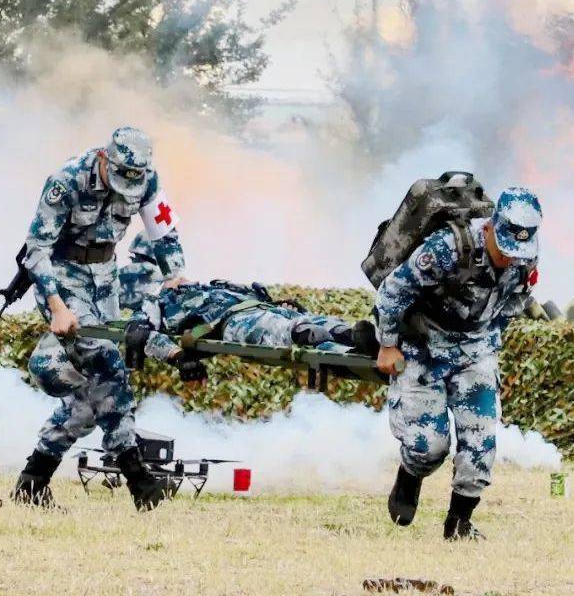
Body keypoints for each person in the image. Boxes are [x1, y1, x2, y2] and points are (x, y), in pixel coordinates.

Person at [11, 126, 183, 511]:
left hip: (106, 279)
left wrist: (175, 274)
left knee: (89, 398)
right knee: (108, 365)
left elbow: (164, 231)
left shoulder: (146, 179)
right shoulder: (66, 180)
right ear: (105, 158)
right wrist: (56, 305)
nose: (127, 188)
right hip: (63, 279)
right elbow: (36, 251)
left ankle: (33, 481)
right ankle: (140, 482)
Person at [375, 186, 541, 540]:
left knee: (481, 444)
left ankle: (459, 523)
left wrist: (487, 345)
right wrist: (389, 345)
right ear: (491, 228)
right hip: (424, 346)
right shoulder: (448, 248)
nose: (512, 257)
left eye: (519, 251)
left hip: (475, 351)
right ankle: (410, 475)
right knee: (428, 448)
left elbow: (512, 306)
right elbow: (393, 291)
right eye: (506, 248)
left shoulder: (526, 260)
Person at [123, 279, 379, 371]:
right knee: (281, 329)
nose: (179, 277)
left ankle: (354, 337)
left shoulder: (215, 284)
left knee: (315, 322)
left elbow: (258, 293)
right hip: (229, 322)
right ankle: (309, 334)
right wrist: (176, 355)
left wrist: (278, 302)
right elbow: (138, 334)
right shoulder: (159, 301)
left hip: (263, 308)